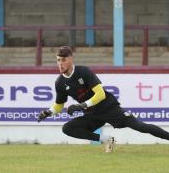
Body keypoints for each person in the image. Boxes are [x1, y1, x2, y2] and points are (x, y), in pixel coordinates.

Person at [38, 46, 169, 153]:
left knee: (141, 126)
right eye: (58, 60)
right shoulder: (60, 82)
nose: (60, 64)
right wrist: (48, 112)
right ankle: (106, 139)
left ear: (71, 59)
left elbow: (100, 94)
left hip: (108, 108)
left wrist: (81, 106)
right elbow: (59, 105)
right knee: (68, 128)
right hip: (92, 114)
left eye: (63, 60)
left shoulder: (83, 72)